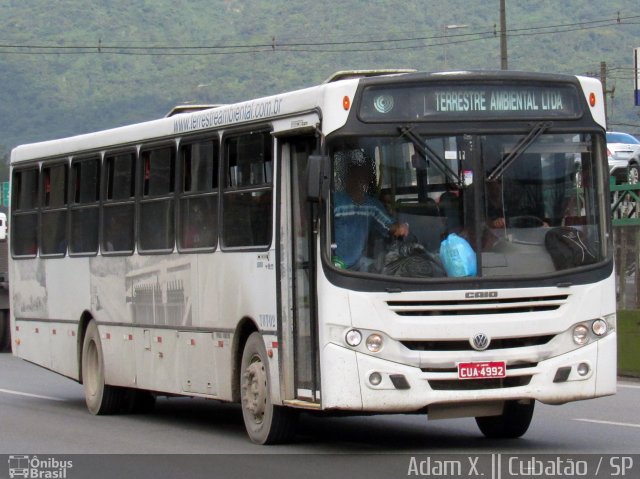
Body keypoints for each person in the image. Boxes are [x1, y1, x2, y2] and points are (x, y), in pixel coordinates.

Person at [333, 161, 409, 271]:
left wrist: (400, 228)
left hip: (359, 263)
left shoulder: (371, 205)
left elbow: (389, 226)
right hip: (334, 264)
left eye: (361, 178)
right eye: (354, 177)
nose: (358, 182)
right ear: (347, 180)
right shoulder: (336, 201)